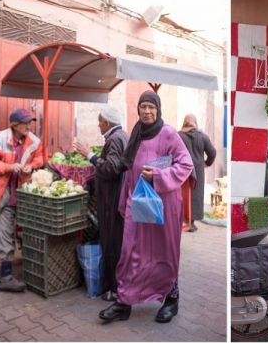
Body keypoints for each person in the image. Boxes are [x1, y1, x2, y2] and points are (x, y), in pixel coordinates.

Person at [99, 91, 193, 324]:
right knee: (131, 252)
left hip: (163, 204)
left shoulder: (169, 133)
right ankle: (124, 301)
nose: (147, 111)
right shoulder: (136, 133)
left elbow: (186, 164)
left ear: (158, 110)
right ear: (138, 110)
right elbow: (129, 168)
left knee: (165, 252)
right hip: (137, 201)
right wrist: (125, 199)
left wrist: (159, 176)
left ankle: (171, 299)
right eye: (143, 107)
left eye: (151, 107)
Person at [74, 106, 128, 302]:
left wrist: (89, 155)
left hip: (112, 200)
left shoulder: (115, 139)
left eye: (99, 121)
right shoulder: (122, 136)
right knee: (116, 243)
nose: (98, 125)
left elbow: (111, 169)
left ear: (107, 122)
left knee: (113, 244)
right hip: (116, 197)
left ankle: (115, 289)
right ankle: (117, 285)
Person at [0, 108, 44, 292]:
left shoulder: (34, 140)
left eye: (30, 122)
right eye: (25, 123)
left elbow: (41, 158)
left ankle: (5, 276)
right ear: (14, 125)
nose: (29, 126)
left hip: (15, 194)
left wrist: (31, 166)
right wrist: (8, 167)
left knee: (4, 232)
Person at [178, 114, 217, 233]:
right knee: (196, 195)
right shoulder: (203, 137)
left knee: (183, 194)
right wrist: (207, 163)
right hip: (198, 170)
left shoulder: (178, 136)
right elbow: (213, 152)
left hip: (182, 169)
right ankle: (192, 223)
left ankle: (183, 221)